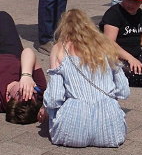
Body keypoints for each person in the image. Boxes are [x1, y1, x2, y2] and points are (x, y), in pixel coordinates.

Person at [40, 9, 129, 148]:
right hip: (111, 131)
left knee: (53, 106)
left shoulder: (59, 49)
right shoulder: (105, 45)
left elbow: (54, 98)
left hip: (72, 130)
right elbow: (124, 91)